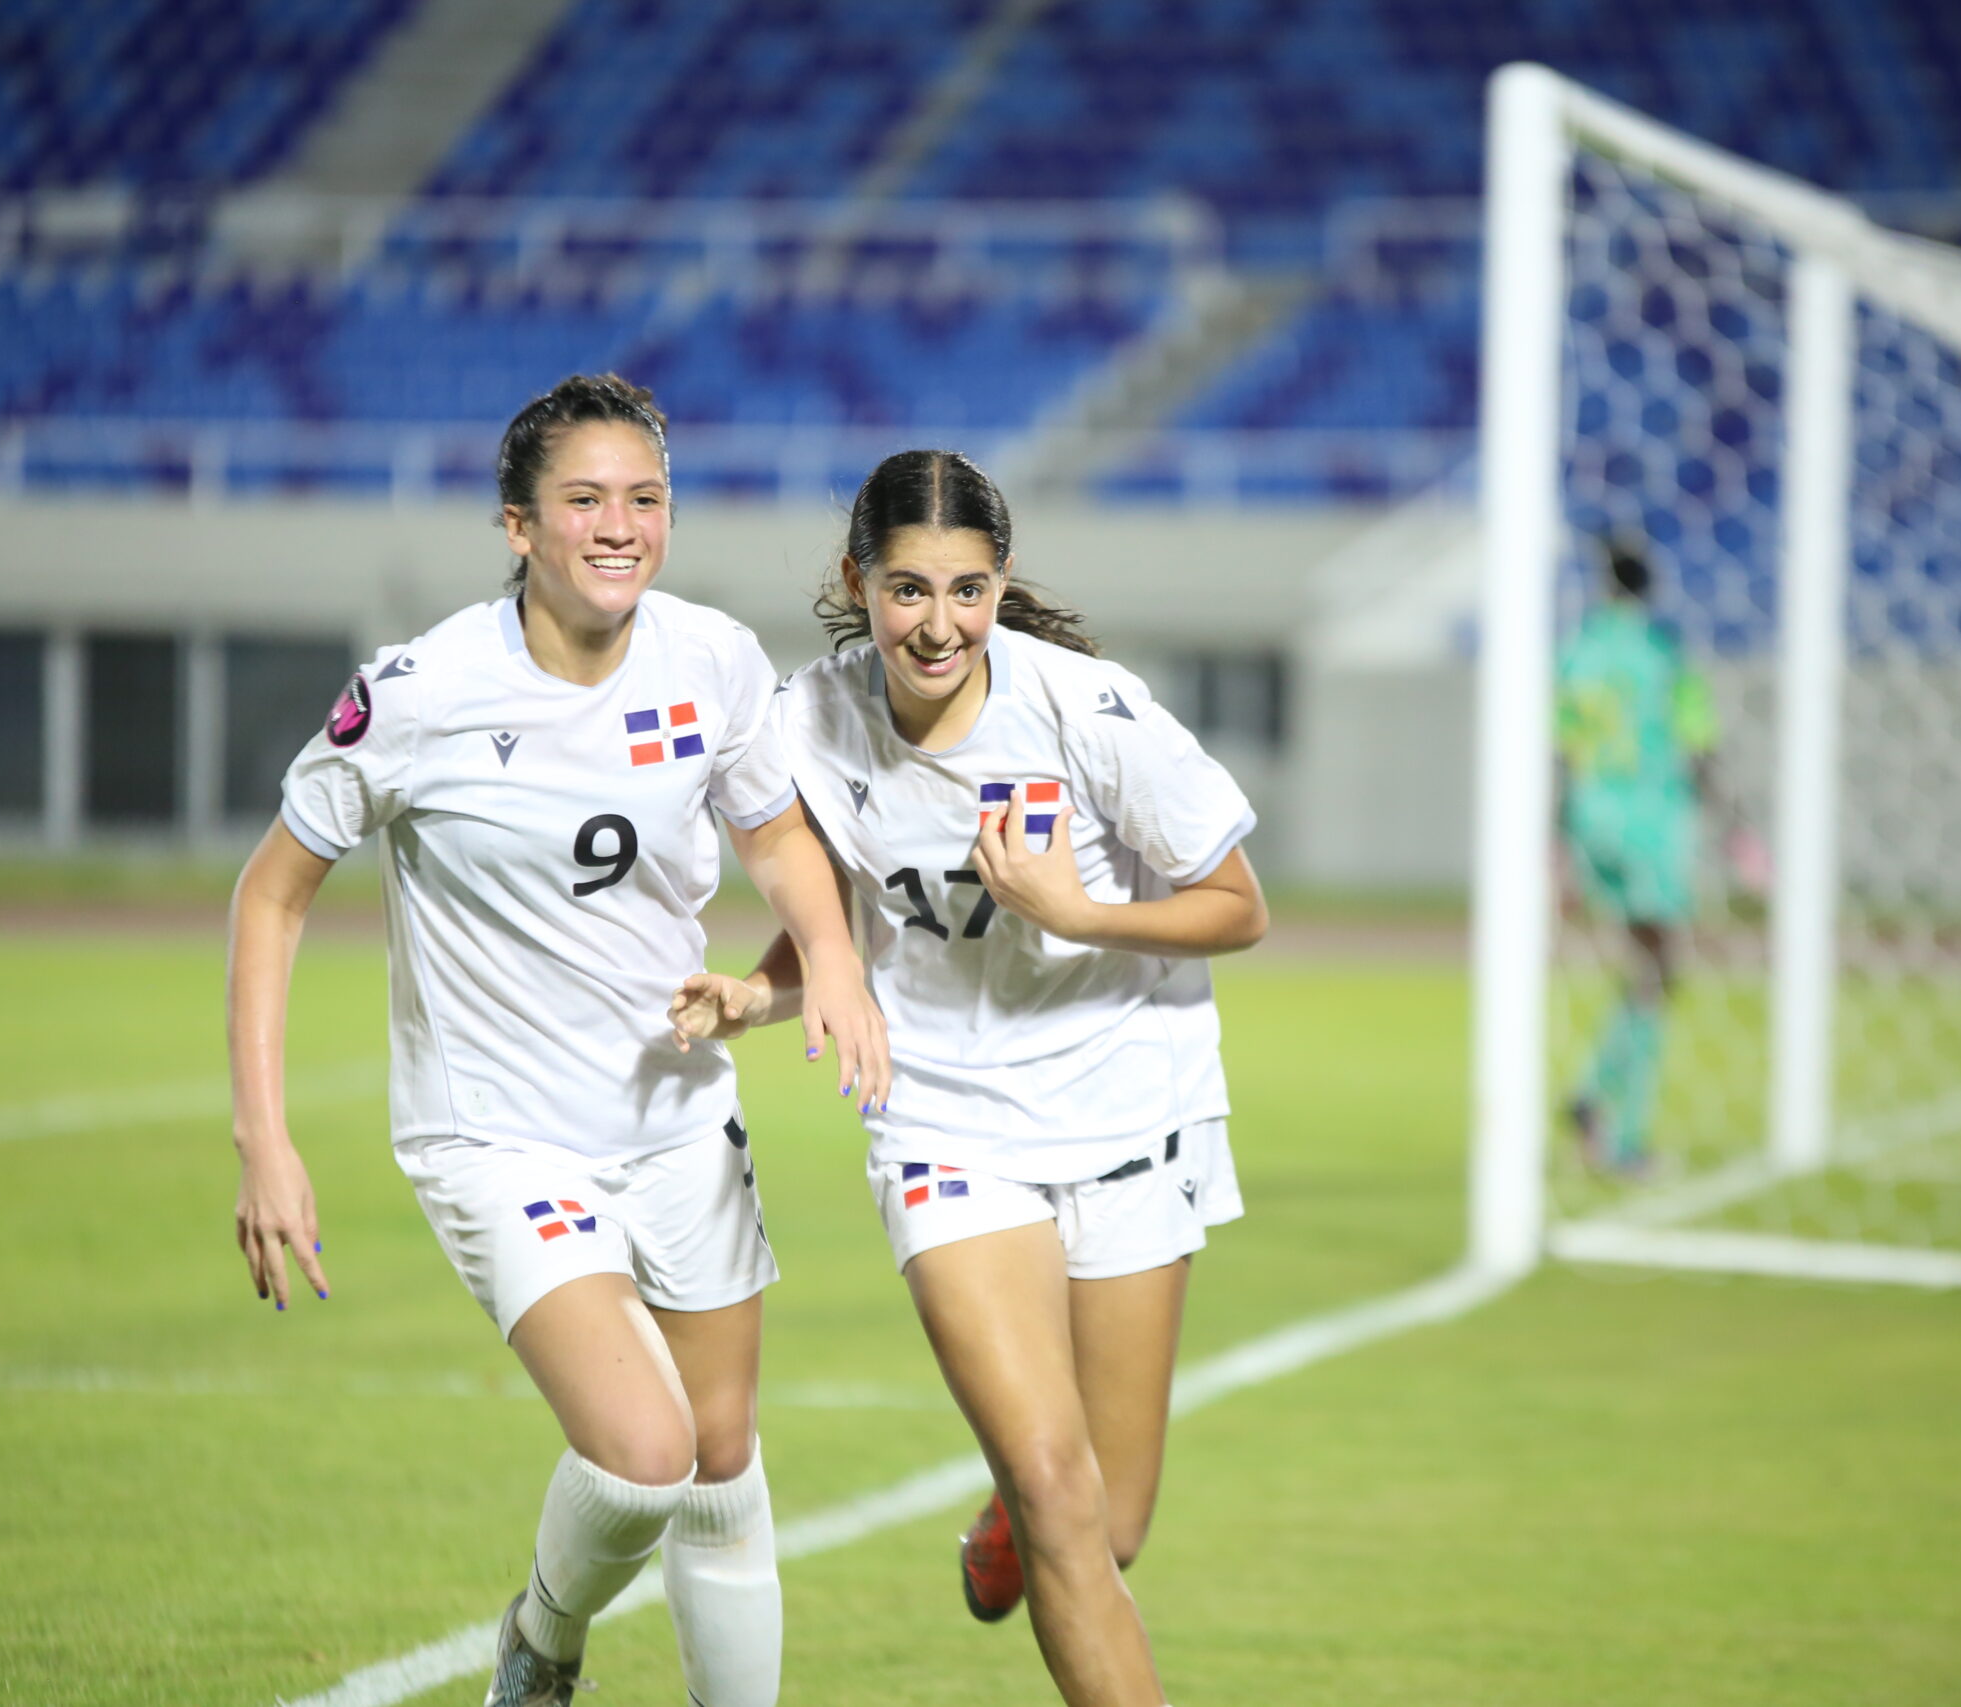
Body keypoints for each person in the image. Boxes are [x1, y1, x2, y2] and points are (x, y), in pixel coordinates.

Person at [226, 374, 889, 1707]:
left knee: (720, 1460)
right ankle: (542, 1635)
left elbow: (778, 840)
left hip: (679, 1118)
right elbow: (273, 888)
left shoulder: (710, 659)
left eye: (644, 498)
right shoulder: (420, 692)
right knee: (643, 1450)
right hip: (497, 1132)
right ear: (517, 524)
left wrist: (825, 960)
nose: (618, 525)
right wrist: (267, 1137)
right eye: (584, 499)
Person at [672, 449, 1265, 1707]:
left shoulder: (1088, 712)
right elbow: (837, 933)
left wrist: (1078, 910)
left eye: (966, 590)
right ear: (857, 580)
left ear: (1001, 585)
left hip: (1126, 1104)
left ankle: (1013, 1502)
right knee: (1062, 1494)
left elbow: (1236, 907)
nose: (935, 624)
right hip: (945, 1122)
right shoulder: (805, 723)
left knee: (1104, 1530)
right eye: (905, 590)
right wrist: (757, 994)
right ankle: (1027, 1481)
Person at [1554, 537, 1763, 1177]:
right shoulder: (1662, 653)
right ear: (1651, 586)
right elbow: (1699, 748)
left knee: (1646, 969)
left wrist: (1556, 846)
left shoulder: (1577, 653)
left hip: (1593, 820)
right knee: (1657, 974)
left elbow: (1559, 753)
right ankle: (1622, 1136)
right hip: (1650, 822)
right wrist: (1737, 835)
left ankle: (1593, 1098)